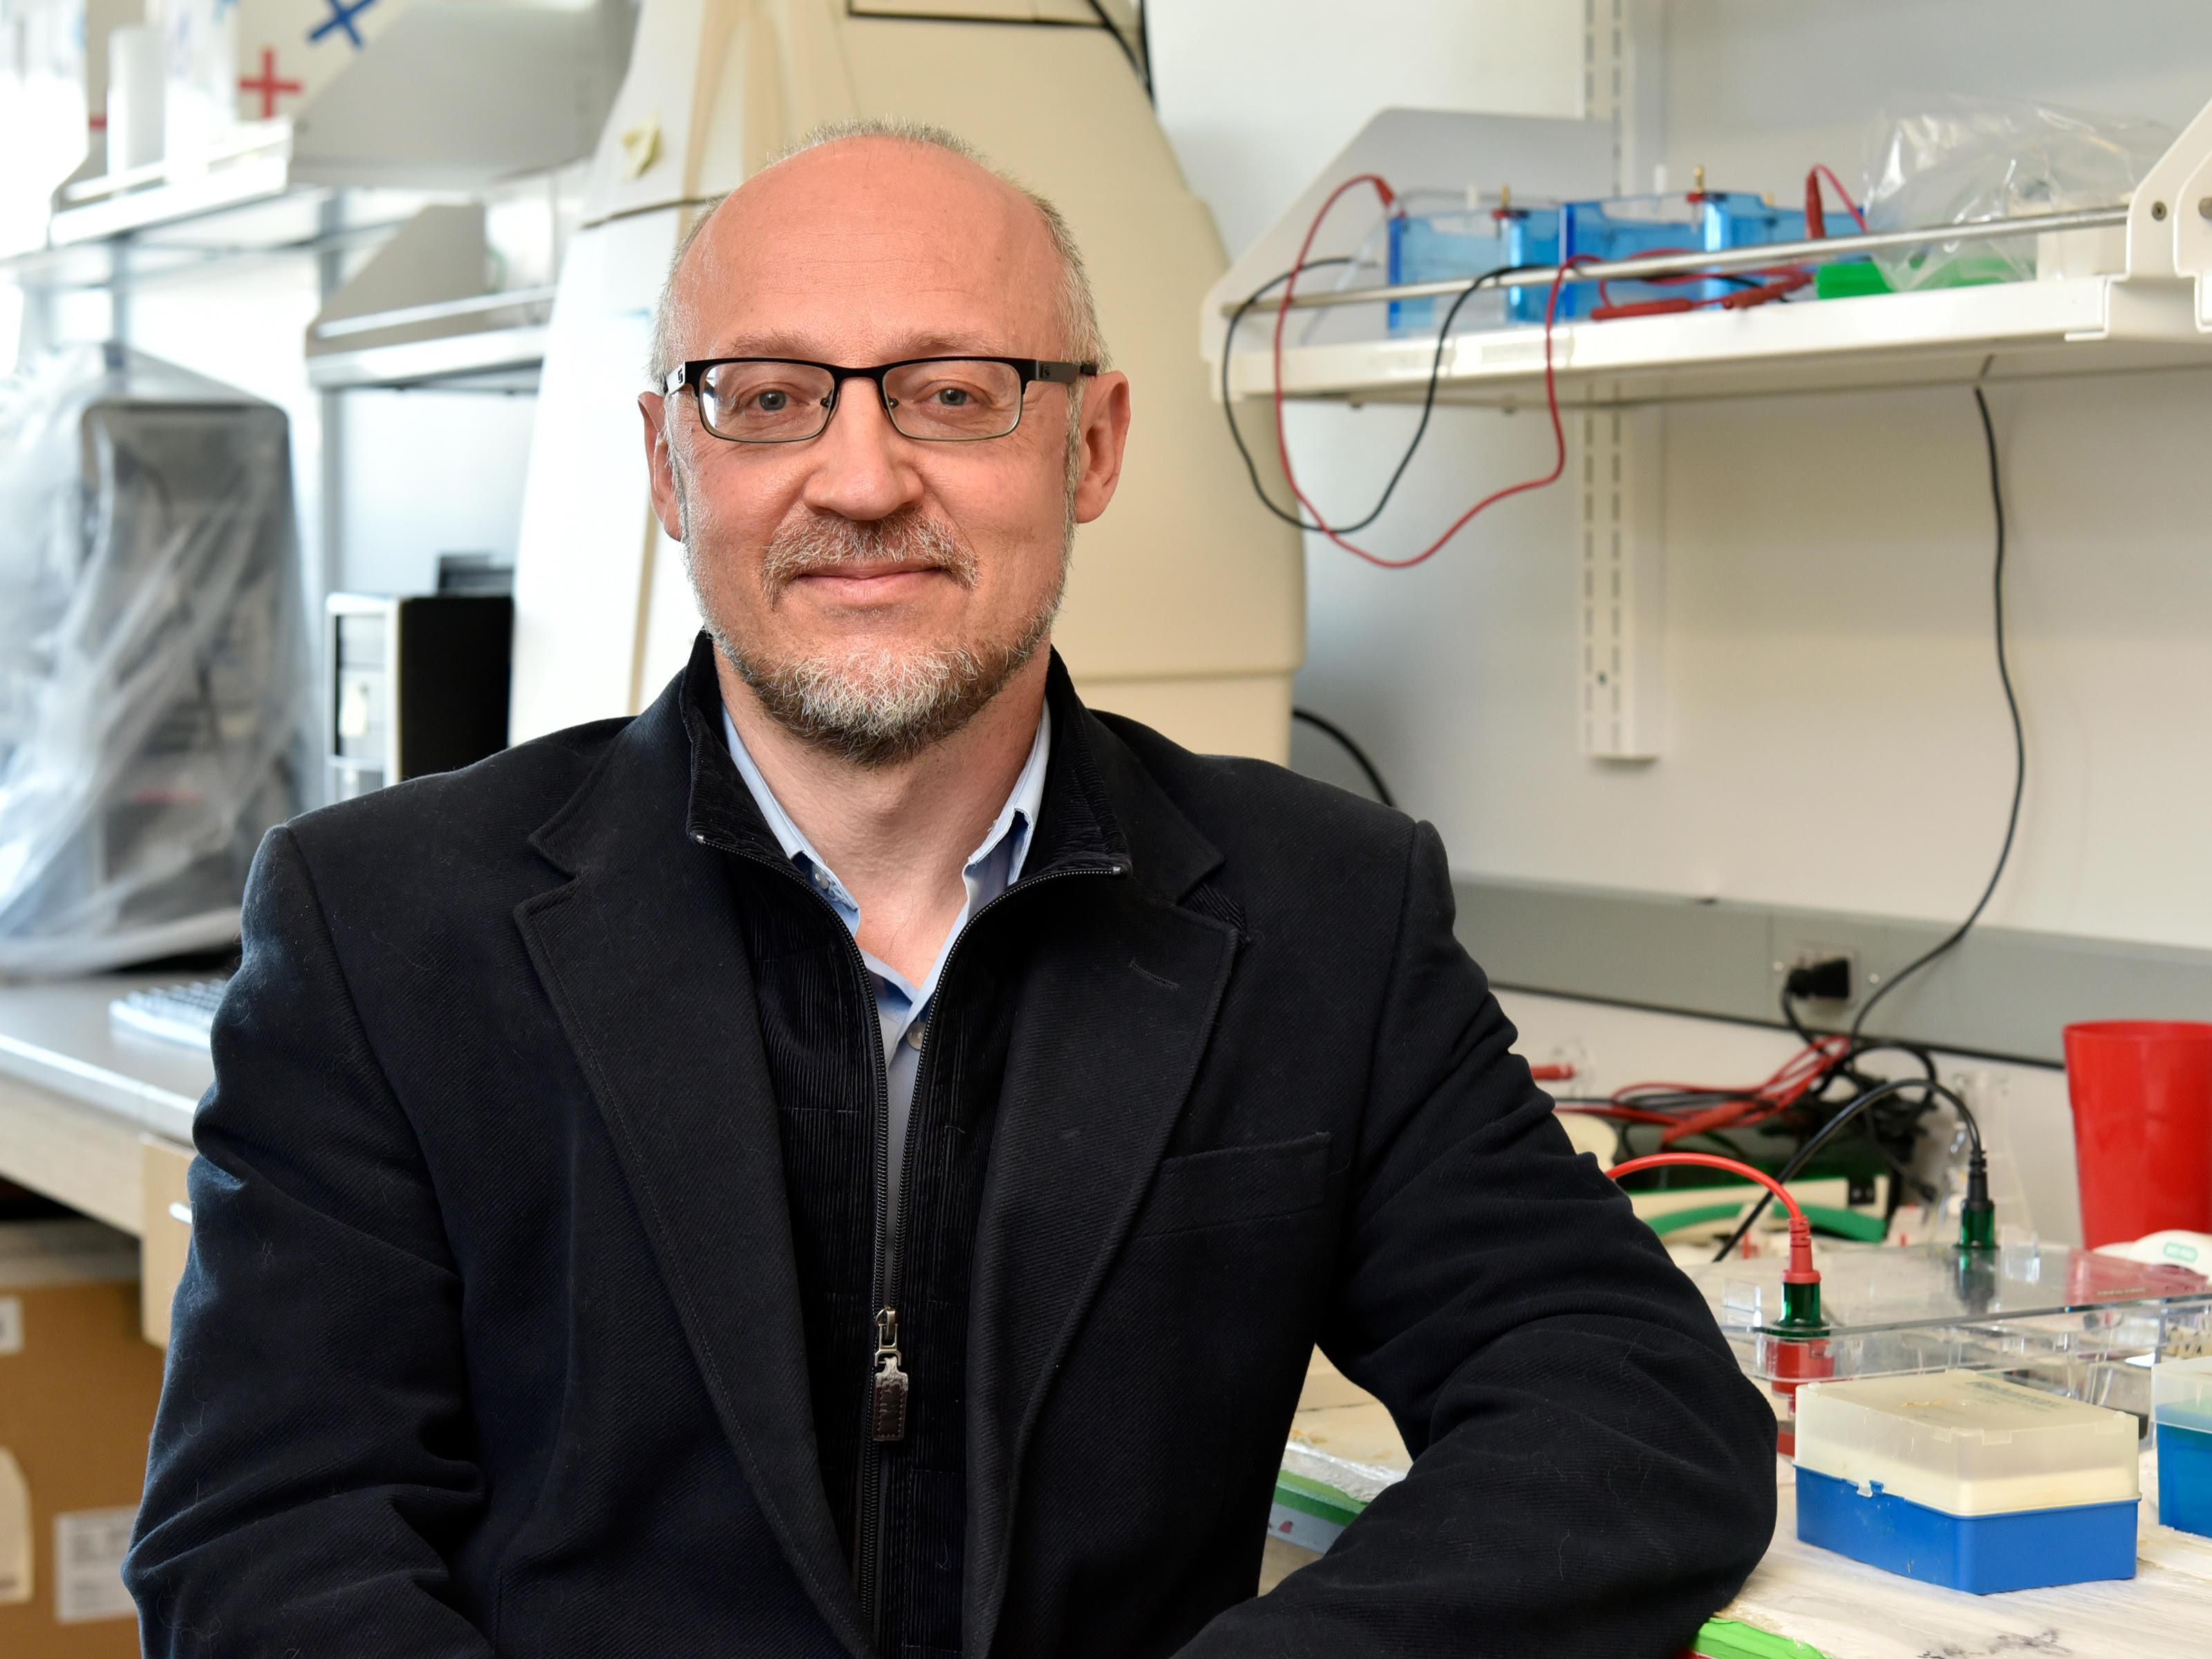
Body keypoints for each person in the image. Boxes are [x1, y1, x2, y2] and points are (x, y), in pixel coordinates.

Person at [126, 121, 1776, 1658]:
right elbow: (269, 1546)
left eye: (954, 392)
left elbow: (1627, 1413)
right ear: (665, 460)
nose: (857, 481)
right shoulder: (387, 928)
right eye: (766, 397)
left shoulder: (1322, 914)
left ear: (1093, 442)